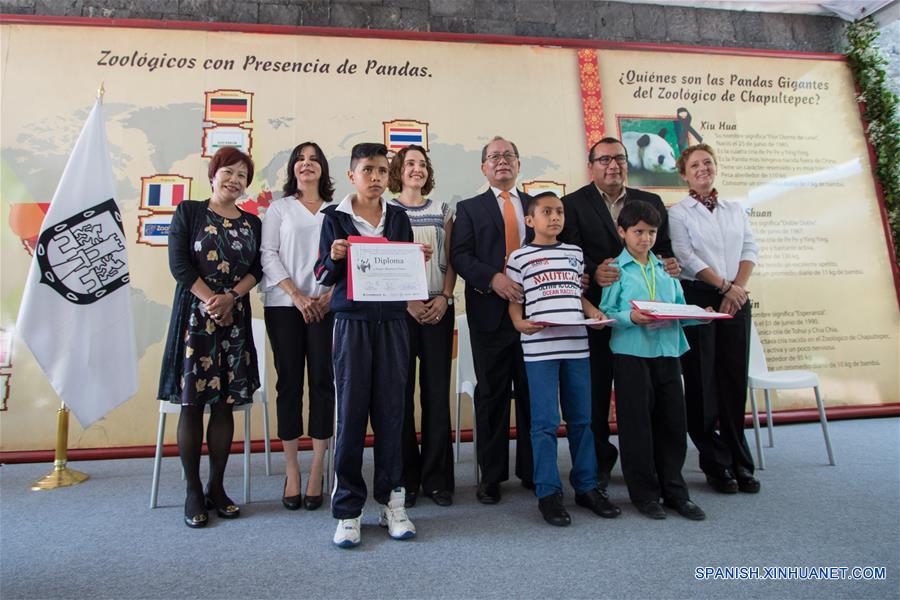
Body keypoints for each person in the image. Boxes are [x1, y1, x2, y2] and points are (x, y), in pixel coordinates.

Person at [314, 142, 431, 548]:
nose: (376, 177)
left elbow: (406, 275)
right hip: (352, 325)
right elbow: (321, 275)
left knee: (393, 414)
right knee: (350, 414)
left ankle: (392, 502)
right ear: (352, 175)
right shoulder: (334, 217)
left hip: (394, 326)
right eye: (368, 170)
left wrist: (419, 259)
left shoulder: (398, 217)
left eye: (383, 170)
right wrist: (333, 256)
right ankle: (347, 509)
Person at [559, 136, 679, 498]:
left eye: (619, 159)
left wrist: (671, 263)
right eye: (604, 160)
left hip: (646, 321)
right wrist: (595, 271)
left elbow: (666, 251)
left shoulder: (652, 202)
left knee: (645, 397)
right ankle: (598, 463)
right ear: (591, 165)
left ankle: (651, 466)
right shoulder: (572, 204)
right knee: (595, 394)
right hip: (598, 312)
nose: (613, 166)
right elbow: (570, 255)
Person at [157, 146, 262, 529]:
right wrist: (212, 300)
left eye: (242, 175)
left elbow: (257, 270)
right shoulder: (189, 211)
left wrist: (231, 298)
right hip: (196, 319)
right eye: (228, 171)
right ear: (213, 174)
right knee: (192, 404)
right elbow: (179, 264)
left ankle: (218, 488)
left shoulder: (253, 223)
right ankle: (192, 490)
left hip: (233, 318)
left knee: (223, 406)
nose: (234, 180)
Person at [506, 192, 619, 526]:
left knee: (581, 419)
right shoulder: (519, 257)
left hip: (576, 347)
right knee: (542, 423)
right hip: (540, 350)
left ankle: (586, 486)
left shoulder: (574, 253)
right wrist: (517, 322)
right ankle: (548, 492)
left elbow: (578, 294)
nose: (554, 217)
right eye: (546, 212)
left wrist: (594, 311)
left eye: (559, 212)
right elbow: (515, 298)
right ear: (530, 220)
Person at [600, 200, 708, 521]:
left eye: (651, 232)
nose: (645, 239)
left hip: (669, 352)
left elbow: (678, 306)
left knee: (673, 423)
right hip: (632, 354)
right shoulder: (615, 270)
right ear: (622, 232)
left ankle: (675, 490)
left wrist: (698, 317)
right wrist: (631, 316)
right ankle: (645, 494)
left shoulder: (665, 268)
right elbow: (607, 313)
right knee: (637, 426)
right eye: (638, 232)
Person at [668, 143, 760, 495]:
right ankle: (715, 464)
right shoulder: (679, 213)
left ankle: (741, 461)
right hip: (700, 299)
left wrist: (737, 288)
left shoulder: (735, 209)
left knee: (733, 383)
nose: (703, 169)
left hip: (736, 299)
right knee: (702, 383)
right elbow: (685, 256)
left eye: (708, 162)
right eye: (695, 165)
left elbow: (750, 249)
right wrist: (722, 285)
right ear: (684, 174)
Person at [450, 136, 534, 505]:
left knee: (534, 396)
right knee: (492, 397)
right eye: (494, 157)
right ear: (483, 167)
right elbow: (461, 256)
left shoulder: (538, 205)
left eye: (509, 156)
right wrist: (493, 278)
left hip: (536, 314)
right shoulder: (469, 208)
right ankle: (492, 475)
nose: (502, 161)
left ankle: (534, 471)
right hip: (489, 315)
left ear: (518, 164)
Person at [260, 142, 335, 511]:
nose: (307, 165)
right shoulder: (279, 209)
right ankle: (292, 469)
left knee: (323, 381)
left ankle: (318, 467)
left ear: (323, 168)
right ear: (293, 169)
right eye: (300, 160)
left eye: (314, 160)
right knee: (289, 383)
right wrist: (297, 296)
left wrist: (327, 296)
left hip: (327, 307)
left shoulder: (338, 210)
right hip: (285, 306)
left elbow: (349, 254)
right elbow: (268, 255)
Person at [387, 145, 457, 508]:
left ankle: (436, 479)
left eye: (423, 164)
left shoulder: (443, 211)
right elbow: (385, 263)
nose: (417, 169)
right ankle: (405, 479)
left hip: (437, 308)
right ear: (398, 170)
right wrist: (406, 302)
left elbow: (451, 260)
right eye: (410, 163)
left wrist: (444, 298)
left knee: (435, 394)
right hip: (401, 311)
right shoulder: (387, 211)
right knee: (399, 396)